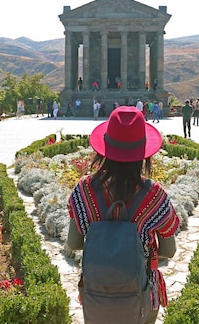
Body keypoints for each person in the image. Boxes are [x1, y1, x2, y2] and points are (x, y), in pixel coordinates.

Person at [66, 106, 180, 324]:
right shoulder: (154, 196)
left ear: (105, 147)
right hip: (142, 292)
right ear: (143, 152)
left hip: (97, 292)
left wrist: (105, 246)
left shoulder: (84, 191)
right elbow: (169, 250)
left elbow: (73, 242)